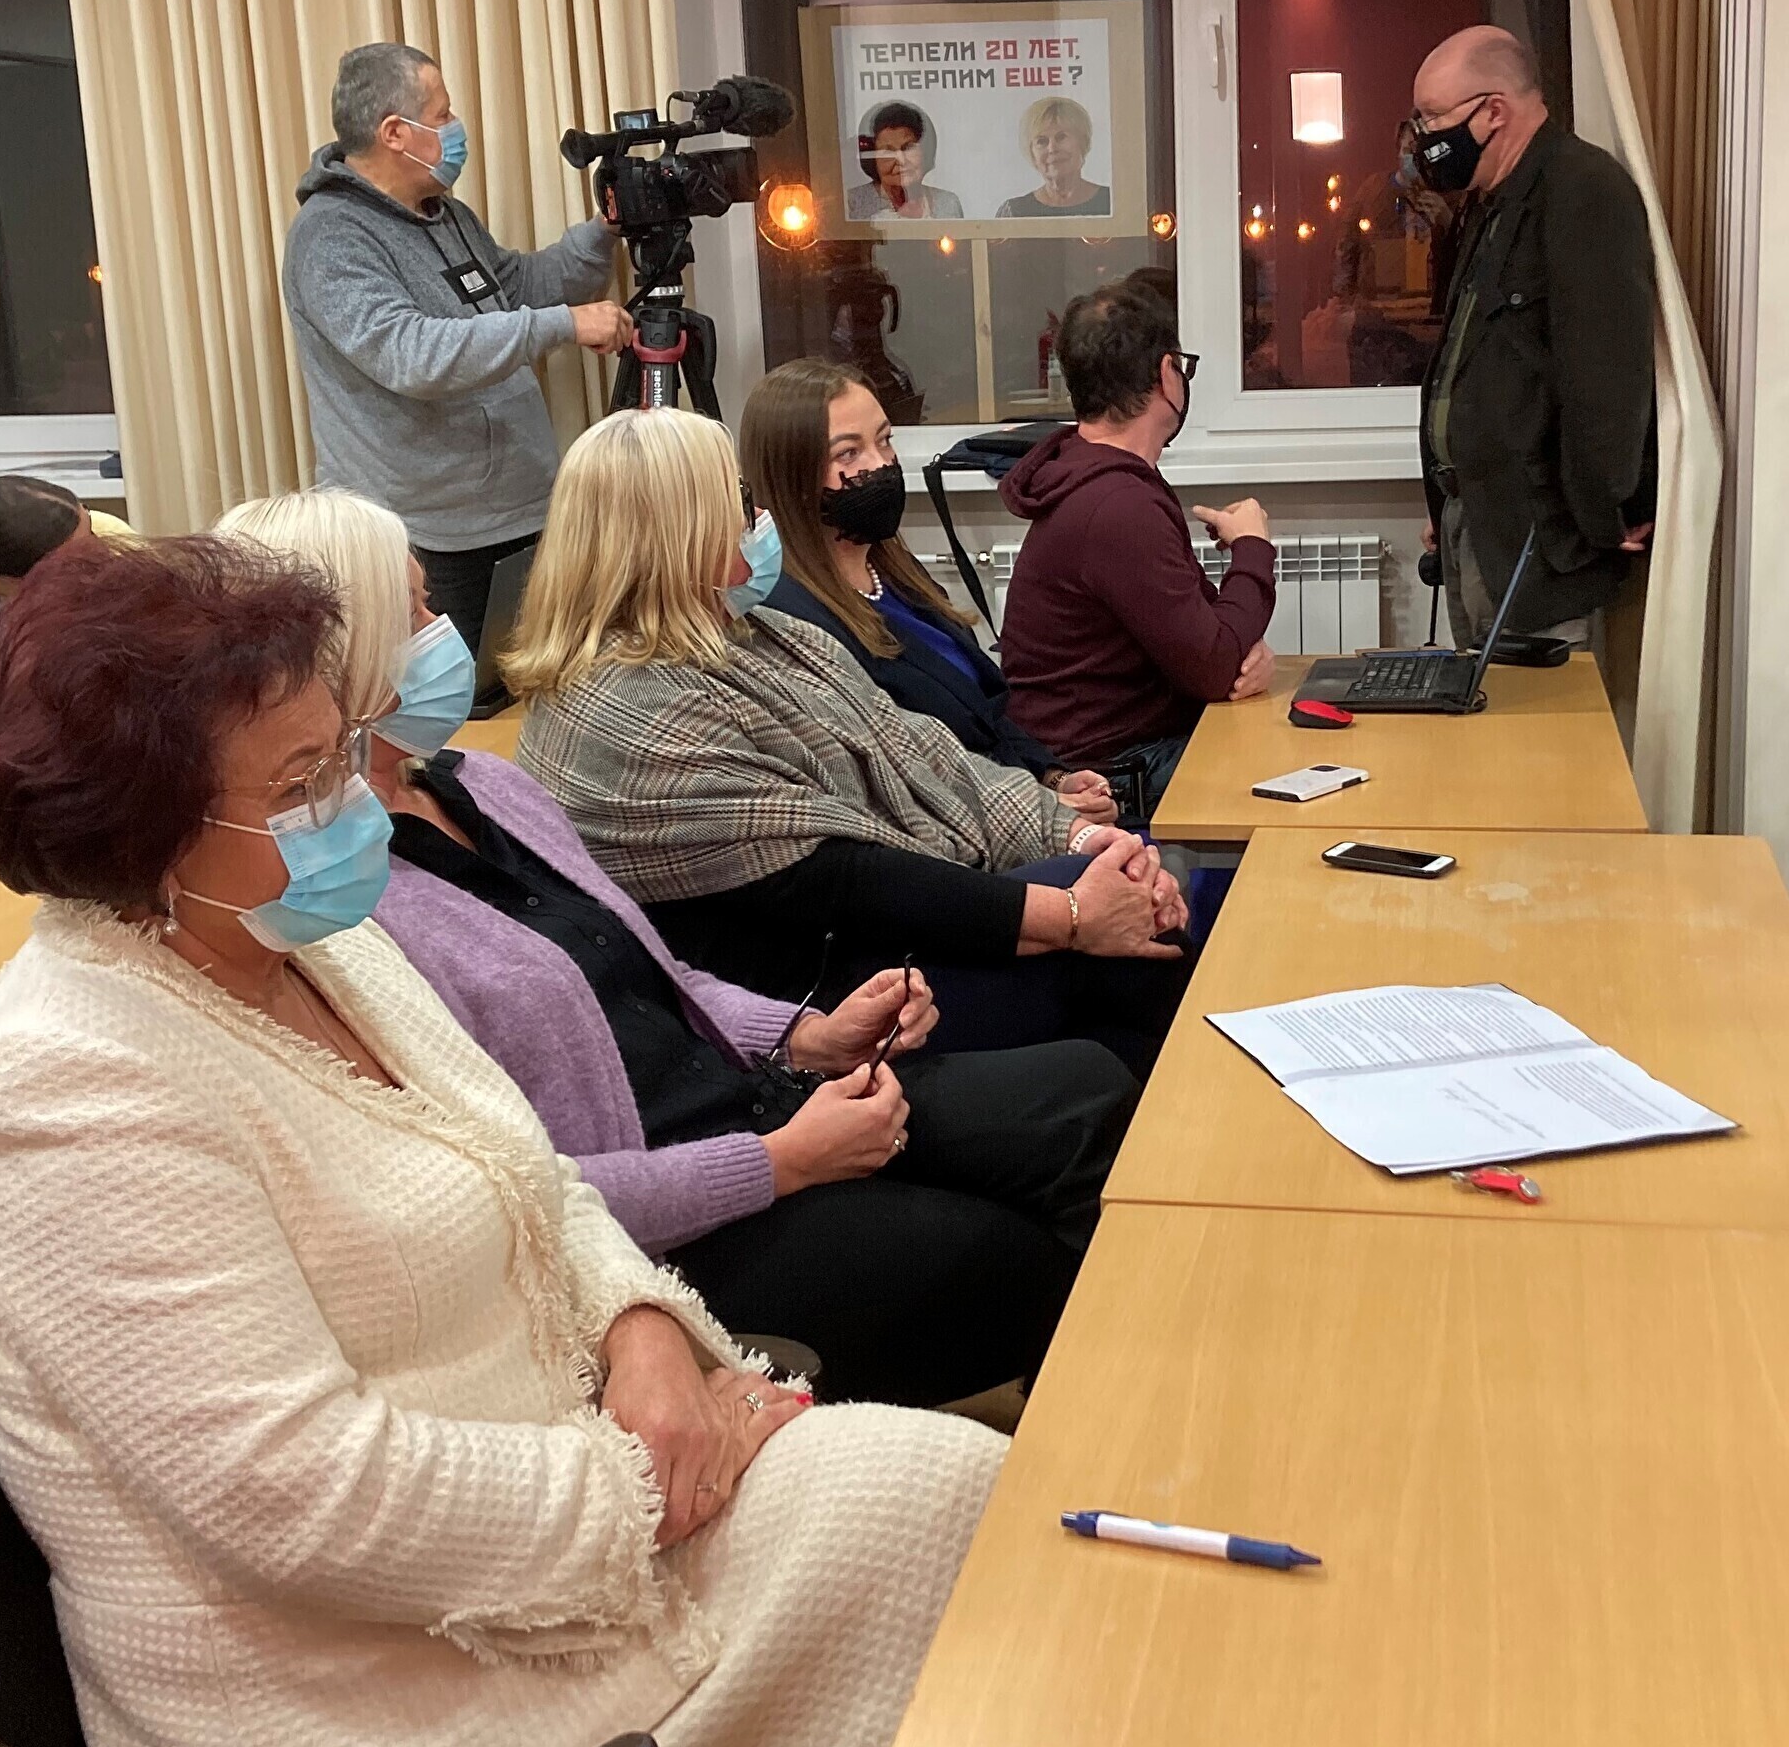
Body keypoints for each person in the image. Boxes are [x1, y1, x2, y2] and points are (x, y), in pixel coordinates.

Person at [0, 530, 1002, 1747]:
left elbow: (531, 1175)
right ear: (140, 827)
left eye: (342, 754)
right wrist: (648, 1478)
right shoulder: (68, 1084)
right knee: (961, 1623)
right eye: (301, 782)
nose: (355, 803)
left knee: (960, 1499)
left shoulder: (317, 949)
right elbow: (303, 1502)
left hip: (556, 1528)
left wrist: (647, 1336)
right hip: (376, 1700)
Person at [218, 486, 1138, 1406]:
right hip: (670, 1224)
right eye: (415, 613)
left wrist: (809, 1036)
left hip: (751, 1105)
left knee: (1082, 1092)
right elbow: (509, 1187)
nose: (443, 632)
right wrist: (781, 1162)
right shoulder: (338, 896)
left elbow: (655, 969)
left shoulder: (483, 787)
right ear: (336, 657)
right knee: (1014, 1255)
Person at [510, 407, 1191, 1081]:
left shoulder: (764, 635)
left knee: (1133, 896)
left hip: (871, 938)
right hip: (811, 1004)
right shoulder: (621, 710)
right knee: (1131, 948)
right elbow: (842, 880)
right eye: (739, 503)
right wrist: (1072, 914)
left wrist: (1078, 836)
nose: (758, 520)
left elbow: (926, 753)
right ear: (677, 536)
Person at [281, 39, 635, 653]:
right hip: (429, 542)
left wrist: (602, 234)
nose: (455, 127)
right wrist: (563, 325)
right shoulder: (330, 237)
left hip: (519, 513)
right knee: (463, 703)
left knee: (536, 681)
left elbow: (517, 289)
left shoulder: (446, 214)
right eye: (442, 114)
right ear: (395, 132)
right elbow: (409, 353)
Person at [740, 357, 1114, 823]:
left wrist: (1053, 777)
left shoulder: (896, 572)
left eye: (884, 440)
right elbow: (897, 777)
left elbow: (986, 712)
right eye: (848, 454)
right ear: (790, 476)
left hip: (1019, 801)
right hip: (958, 835)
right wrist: (1042, 811)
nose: (881, 464)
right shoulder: (790, 616)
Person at [1409, 24, 1657, 646]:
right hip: (1476, 524)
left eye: (1433, 118)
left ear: (1494, 111)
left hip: (1538, 546)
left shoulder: (1583, 190)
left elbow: (1607, 374)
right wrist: (1450, 495)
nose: (1424, 137)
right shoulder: (1489, 203)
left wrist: (1604, 512)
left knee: (1534, 708)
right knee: (1479, 706)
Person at [997, 287, 1277, 801]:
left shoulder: (1099, 478)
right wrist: (1253, 547)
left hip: (1122, 747)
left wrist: (1240, 651)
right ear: (1168, 373)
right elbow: (1216, 666)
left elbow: (1211, 641)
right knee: (1299, 768)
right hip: (1113, 772)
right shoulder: (1117, 505)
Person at [0, 474, 135, 712]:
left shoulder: (101, 569)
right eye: (79, 556)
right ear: (26, 578)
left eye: (90, 526)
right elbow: (0, 728)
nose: (102, 553)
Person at [843, 102, 965, 222]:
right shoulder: (851, 204)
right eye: (888, 151)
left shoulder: (948, 203)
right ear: (873, 160)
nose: (901, 160)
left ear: (925, 152)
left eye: (908, 148)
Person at [994, 96, 1110, 218]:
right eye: (1042, 141)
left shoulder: (1113, 202)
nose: (1052, 149)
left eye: (1061, 137)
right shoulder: (1014, 212)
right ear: (1032, 153)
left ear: (1082, 142)